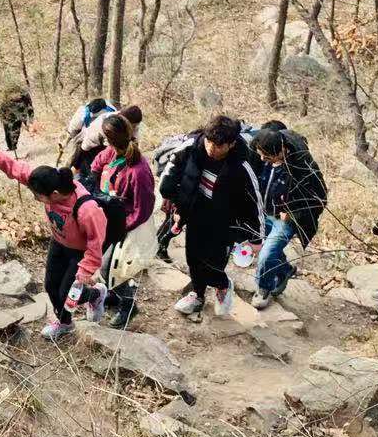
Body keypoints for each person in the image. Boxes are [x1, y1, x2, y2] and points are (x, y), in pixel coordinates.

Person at [0, 147, 107, 341]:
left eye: (38, 196)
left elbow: (96, 243)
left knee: (67, 293)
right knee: (50, 286)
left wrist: (85, 272)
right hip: (58, 243)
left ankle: (95, 294)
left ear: (55, 194)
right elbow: (17, 169)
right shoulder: (46, 182)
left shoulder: (87, 210)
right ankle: (64, 323)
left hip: (79, 253)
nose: (35, 197)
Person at [156, 114, 262, 318]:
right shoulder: (191, 148)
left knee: (214, 261)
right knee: (193, 256)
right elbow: (171, 169)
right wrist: (173, 200)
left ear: (230, 144)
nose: (212, 149)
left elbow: (255, 203)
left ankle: (222, 286)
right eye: (209, 142)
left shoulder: (242, 167)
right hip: (195, 211)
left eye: (219, 146)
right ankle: (197, 294)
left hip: (224, 220)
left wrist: (256, 239)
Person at [88, 112, 155, 328]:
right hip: (106, 217)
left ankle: (128, 306)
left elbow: (142, 209)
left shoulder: (139, 171)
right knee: (101, 262)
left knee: (111, 268)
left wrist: (123, 227)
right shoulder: (111, 153)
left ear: (111, 139)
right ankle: (115, 297)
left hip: (124, 225)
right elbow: (96, 165)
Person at [250, 124, 328, 308]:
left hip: (284, 220)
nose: (262, 159)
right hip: (262, 212)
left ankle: (264, 288)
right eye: (261, 154)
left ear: (281, 151)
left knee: (266, 255)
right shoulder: (261, 156)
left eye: (267, 156)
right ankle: (285, 270)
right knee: (264, 249)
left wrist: (294, 212)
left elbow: (320, 198)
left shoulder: (303, 166)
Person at [0, 84, 35, 153]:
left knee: (8, 130)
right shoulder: (22, 91)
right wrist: (31, 117)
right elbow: (29, 105)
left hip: (9, 114)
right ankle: (12, 146)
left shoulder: (6, 92)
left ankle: (11, 146)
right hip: (16, 114)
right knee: (14, 130)